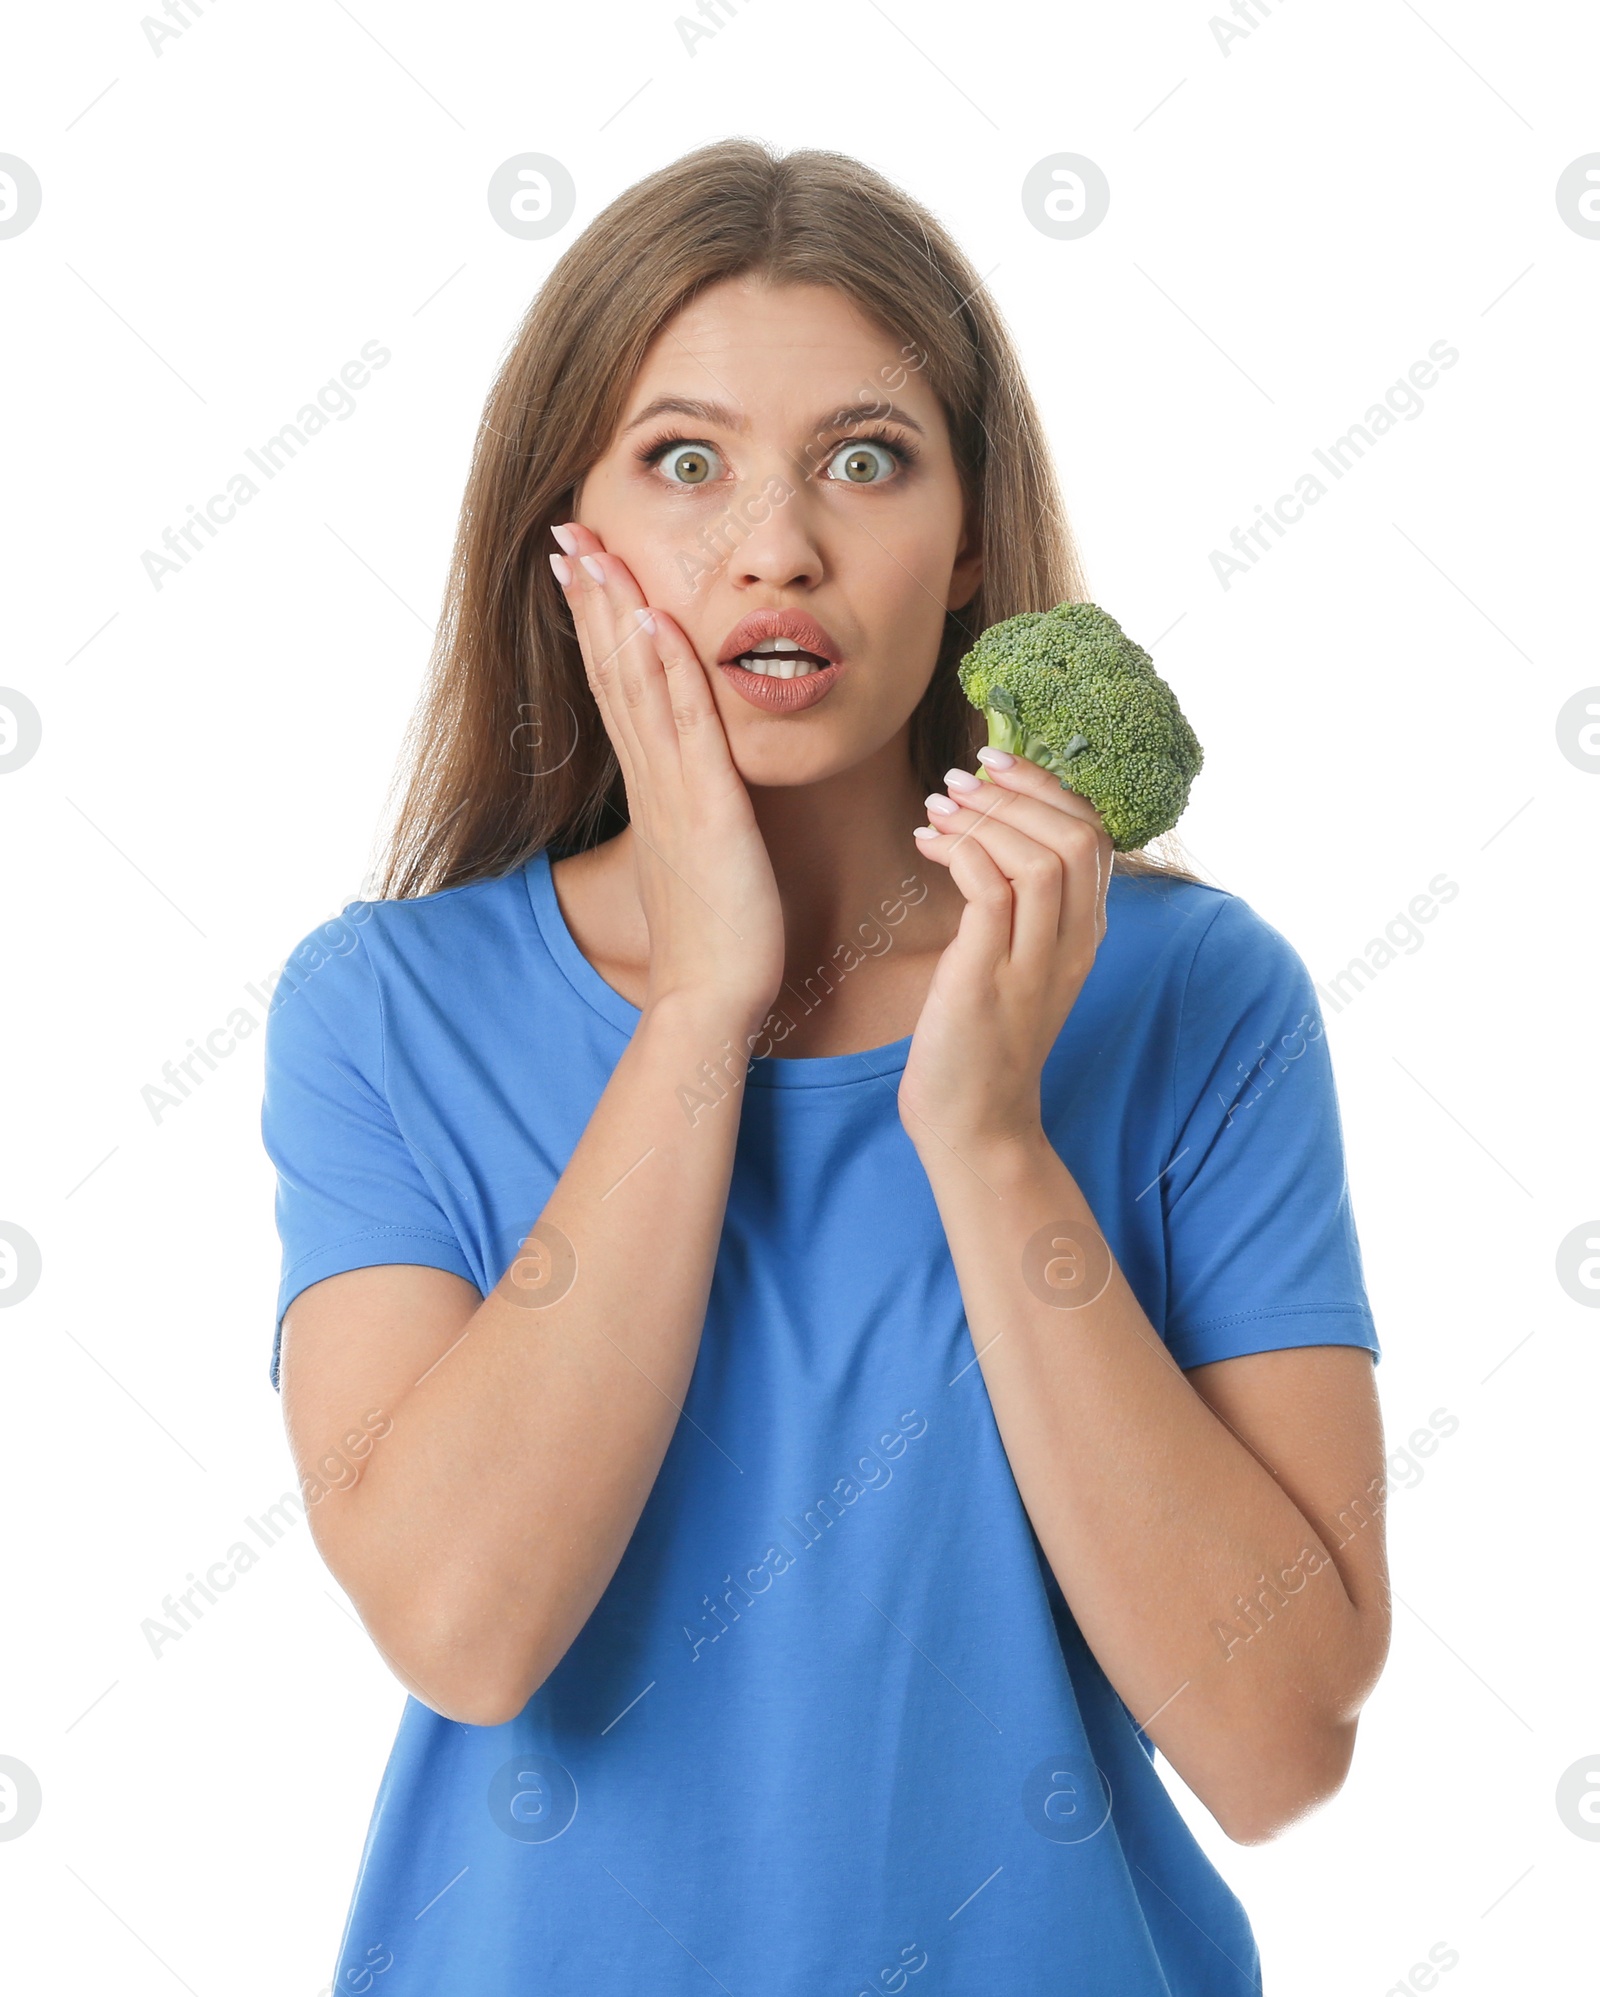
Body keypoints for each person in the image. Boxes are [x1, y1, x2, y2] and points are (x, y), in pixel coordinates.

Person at [262, 137, 1390, 1996]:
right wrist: (706, 1004)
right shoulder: (389, 1009)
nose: (775, 543)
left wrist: (990, 1135)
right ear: (575, 538)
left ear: (963, 547)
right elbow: (468, 1627)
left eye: (865, 459)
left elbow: (1277, 1744)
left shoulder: (1195, 996)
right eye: (684, 460)